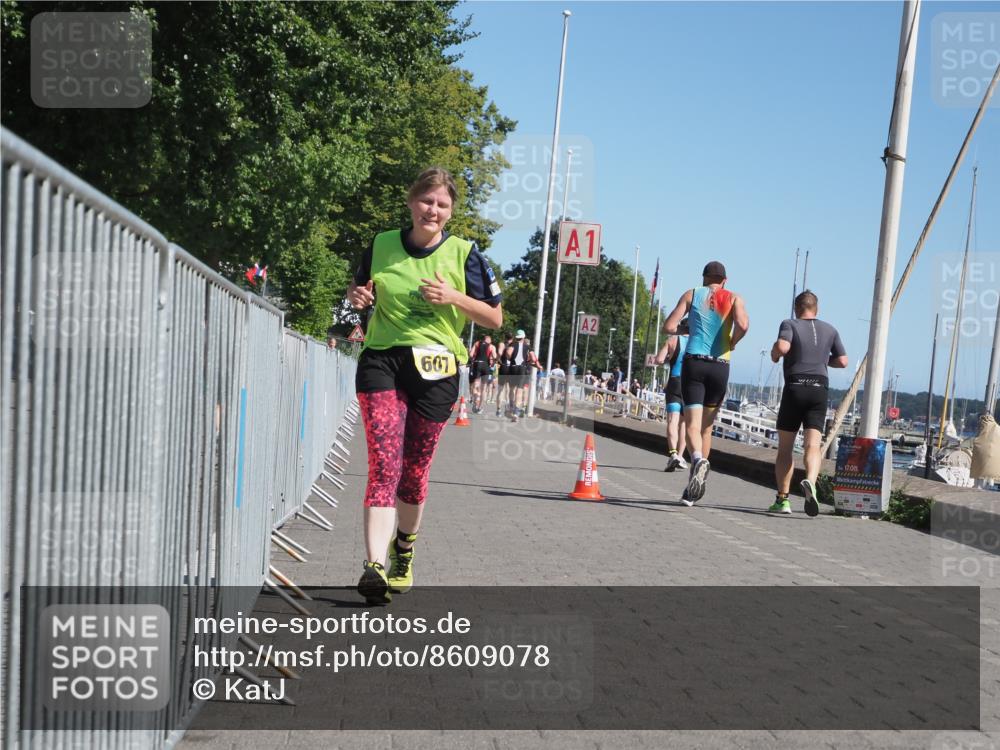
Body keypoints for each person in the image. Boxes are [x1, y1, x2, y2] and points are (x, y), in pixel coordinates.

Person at [347, 167, 503, 604]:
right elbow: (359, 289)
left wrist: (454, 297)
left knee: (413, 474)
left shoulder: (465, 254)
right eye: (426, 200)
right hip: (383, 359)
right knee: (384, 462)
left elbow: (495, 318)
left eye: (442, 204)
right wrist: (355, 297)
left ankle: (403, 552)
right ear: (411, 202)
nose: (432, 210)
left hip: (437, 370)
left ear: (450, 213)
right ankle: (374, 566)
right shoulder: (381, 245)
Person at [663, 261, 750, 506]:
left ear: (704, 278)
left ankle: (699, 460)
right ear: (725, 280)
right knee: (706, 428)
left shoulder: (692, 294)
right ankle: (693, 490)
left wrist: (685, 328)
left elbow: (668, 327)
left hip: (695, 363)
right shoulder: (734, 298)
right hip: (720, 366)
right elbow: (743, 325)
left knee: (691, 425)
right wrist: (732, 341)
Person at [768, 290, 847, 516]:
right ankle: (810, 482)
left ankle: (783, 500)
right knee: (813, 446)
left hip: (795, 386)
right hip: (819, 389)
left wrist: (775, 354)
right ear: (817, 308)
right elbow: (843, 361)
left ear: (796, 308)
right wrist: (823, 360)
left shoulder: (789, 323)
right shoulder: (831, 330)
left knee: (785, 449)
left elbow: (783, 347)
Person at [656, 317, 689, 472]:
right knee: (684, 423)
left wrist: (669, 358)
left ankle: (673, 454)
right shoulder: (698, 343)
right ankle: (681, 456)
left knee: (672, 421)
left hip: (674, 382)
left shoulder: (672, 340)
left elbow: (659, 360)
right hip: (690, 385)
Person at [507, 330, 535, 421]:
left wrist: (510, 358)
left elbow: (508, 354)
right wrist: (528, 361)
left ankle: (511, 405)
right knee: (520, 390)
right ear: (523, 337)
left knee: (512, 389)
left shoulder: (512, 345)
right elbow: (533, 359)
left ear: (517, 337)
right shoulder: (527, 347)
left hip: (513, 367)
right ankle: (516, 412)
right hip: (522, 368)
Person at [468, 334, 497, 413]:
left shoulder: (477, 343)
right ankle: (480, 407)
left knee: (476, 385)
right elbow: (495, 356)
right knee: (483, 388)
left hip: (477, 364)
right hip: (486, 366)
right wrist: (493, 362)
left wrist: (473, 359)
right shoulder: (492, 346)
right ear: (489, 341)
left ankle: (475, 400)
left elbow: (470, 354)